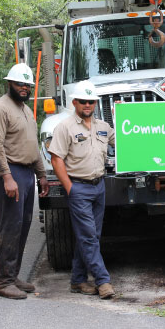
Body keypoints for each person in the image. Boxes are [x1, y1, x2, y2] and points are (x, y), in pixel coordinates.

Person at [0, 63, 49, 299]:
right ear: (9, 83)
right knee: (11, 226)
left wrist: (41, 174)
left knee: (23, 226)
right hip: (7, 173)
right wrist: (7, 177)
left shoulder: (25, 110)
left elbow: (31, 146)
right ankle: (3, 281)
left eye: (27, 84)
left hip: (26, 172)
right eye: (20, 83)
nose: (24, 87)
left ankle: (13, 275)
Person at [48, 80, 116, 299]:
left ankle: (78, 280)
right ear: (75, 102)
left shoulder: (103, 127)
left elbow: (127, 139)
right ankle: (103, 280)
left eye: (91, 101)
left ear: (95, 103)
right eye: (83, 101)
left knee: (90, 235)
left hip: (99, 187)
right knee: (88, 236)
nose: (87, 105)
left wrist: (129, 117)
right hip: (79, 188)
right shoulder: (65, 127)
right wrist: (70, 188)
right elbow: (56, 158)